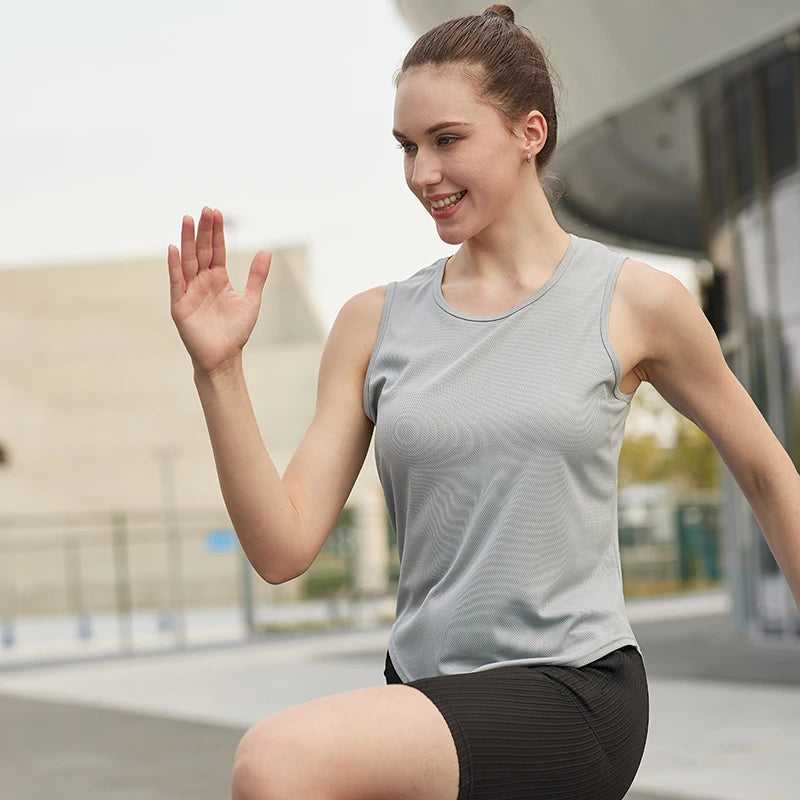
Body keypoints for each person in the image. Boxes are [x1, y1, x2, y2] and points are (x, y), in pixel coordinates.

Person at [167, 5, 800, 799]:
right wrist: (219, 371)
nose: (422, 172)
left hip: (572, 688)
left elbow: (771, 476)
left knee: (277, 761)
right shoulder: (374, 323)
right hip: (426, 694)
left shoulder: (635, 301)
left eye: (448, 139)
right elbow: (283, 547)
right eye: (407, 147)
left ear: (530, 132)